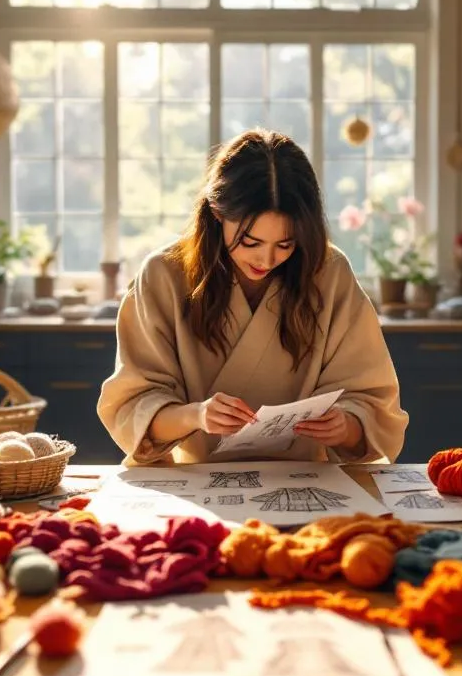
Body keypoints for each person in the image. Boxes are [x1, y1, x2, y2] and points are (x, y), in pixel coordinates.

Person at [97, 128, 407, 466]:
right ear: (217, 213)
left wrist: (345, 426)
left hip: (307, 478)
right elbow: (134, 408)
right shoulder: (163, 274)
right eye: (250, 242)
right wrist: (196, 415)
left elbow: (373, 405)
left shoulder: (328, 272)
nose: (267, 259)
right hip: (198, 481)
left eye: (286, 244)